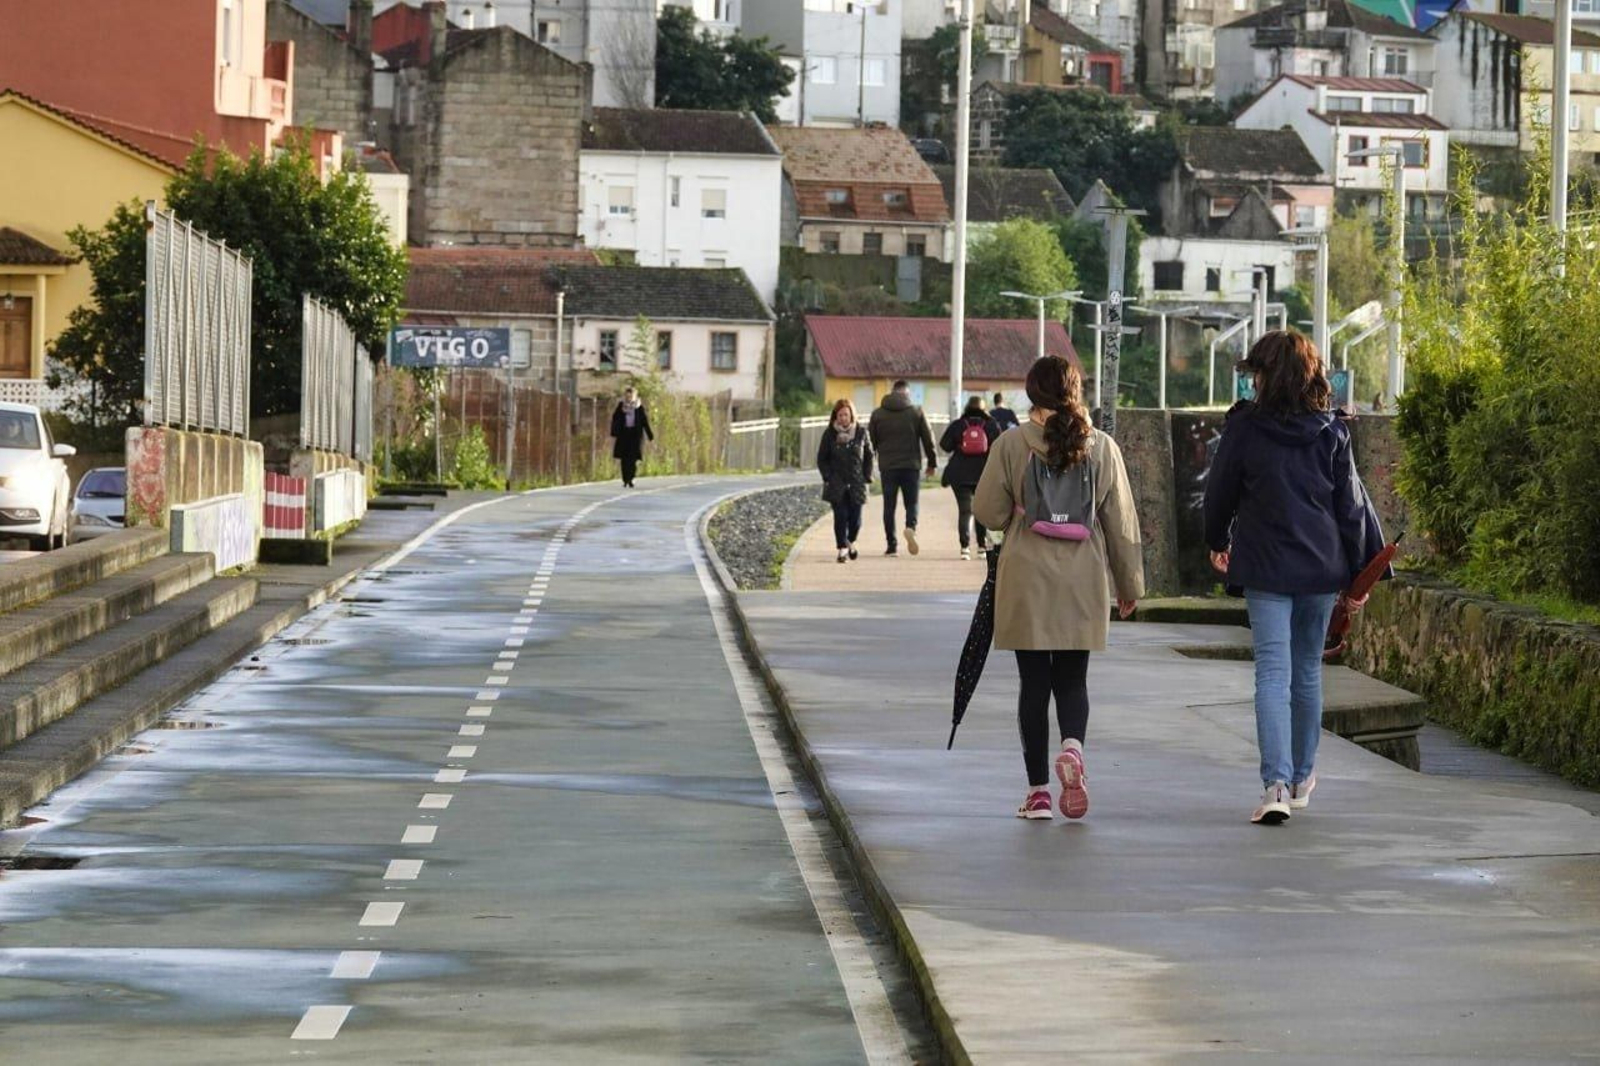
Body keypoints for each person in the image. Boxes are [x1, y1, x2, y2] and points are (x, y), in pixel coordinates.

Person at [1203, 330, 1387, 826]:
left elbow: (1219, 490)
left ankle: (1275, 784)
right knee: (1306, 671)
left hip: (1265, 564)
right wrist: (1359, 575)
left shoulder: (1243, 429)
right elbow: (1350, 507)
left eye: (1255, 374)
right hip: (1320, 567)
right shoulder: (1331, 431)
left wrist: (1217, 539)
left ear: (1265, 378)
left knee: (1272, 672)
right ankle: (1303, 776)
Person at [974, 356, 1144, 821]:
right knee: (1073, 679)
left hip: (1026, 577)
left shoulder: (1011, 443)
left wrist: (1015, 507)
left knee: (1034, 684)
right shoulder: (1102, 446)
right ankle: (1073, 749)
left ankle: (1039, 794)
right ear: (1074, 390)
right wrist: (1129, 584)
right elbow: (1122, 522)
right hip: (1082, 578)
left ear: (1032, 393)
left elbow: (987, 512)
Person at [868, 380, 937, 557]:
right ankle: (910, 527)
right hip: (911, 466)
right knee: (912, 503)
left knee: (889, 506)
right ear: (906, 393)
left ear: (892, 392)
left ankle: (891, 546)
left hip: (888, 467)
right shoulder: (916, 412)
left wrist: (868, 467)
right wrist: (932, 463)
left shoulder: (878, 414)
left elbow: (870, 444)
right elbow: (928, 439)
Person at [939, 395, 1000, 560]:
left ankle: (964, 547)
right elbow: (1000, 447)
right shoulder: (991, 424)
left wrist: (960, 444)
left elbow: (944, 445)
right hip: (983, 473)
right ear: (983, 408)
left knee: (965, 510)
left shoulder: (959, 424)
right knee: (980, 510)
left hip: (959, 474)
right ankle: (981, 547)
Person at [816, 399, 874, 563]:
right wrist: (828, 476)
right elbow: (822, 459)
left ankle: (851, 541)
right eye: (840, 415)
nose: (843, 418)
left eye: (846, 415)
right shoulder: (829, 434)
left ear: (852, 416)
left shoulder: (862, 433)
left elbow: (869, 456)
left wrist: (867, 475)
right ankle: (842, 549)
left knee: (855, 520)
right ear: (835, 416)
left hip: (857, 482)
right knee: (840, 516)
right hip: (837, 483)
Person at [609, 386, 653, 488]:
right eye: (627, 396)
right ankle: (625, 479)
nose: (629, 398)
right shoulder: (621, 406)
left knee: (633, 459)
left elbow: (644, 421)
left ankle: (631, 478)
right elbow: (615, 418)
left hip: (635, 435)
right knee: (624, 459)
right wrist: (615, 431)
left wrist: (649, 434)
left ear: (634, 396)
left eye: (631, 396)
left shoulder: (639, 407)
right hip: (624, 435)